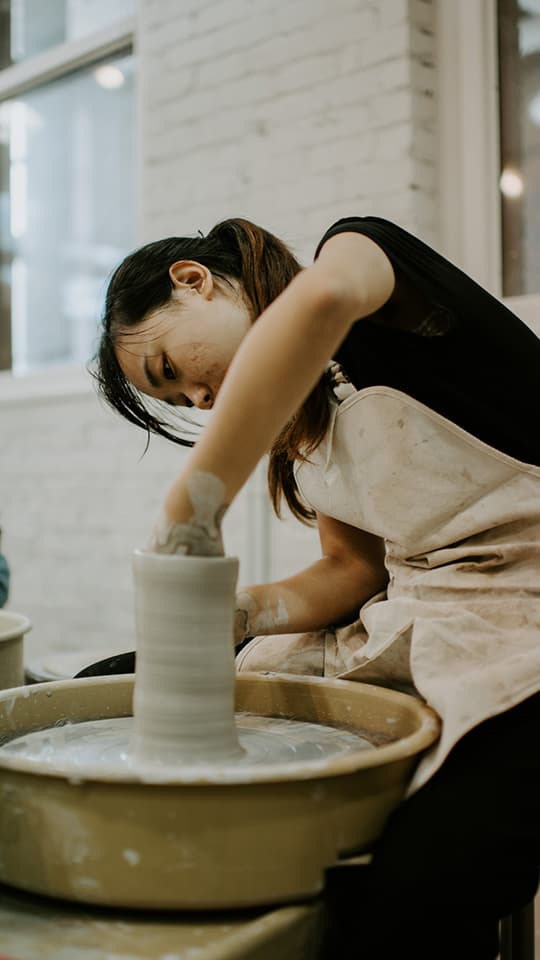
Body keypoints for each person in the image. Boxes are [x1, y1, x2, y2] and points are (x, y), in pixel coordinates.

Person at [95, 216, 540, 959]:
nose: (201, 403)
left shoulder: (359, 264)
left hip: (527, 615)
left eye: (172, 370)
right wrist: (238, 614)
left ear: (193, 279)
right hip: (428, 611)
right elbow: (352, 571)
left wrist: (193, 504)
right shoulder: (305, 422)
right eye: (179, 404)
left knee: (414, 893)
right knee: (112, 686)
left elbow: (323, 298)